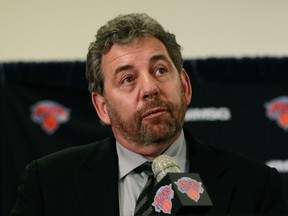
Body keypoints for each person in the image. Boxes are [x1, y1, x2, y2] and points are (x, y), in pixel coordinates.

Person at [11, 13, 287, 216]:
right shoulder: (48, 183)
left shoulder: (256, 186)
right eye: (128, 79)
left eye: (160, 71)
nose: (150, 88)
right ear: (102, 107)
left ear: (186, 87)